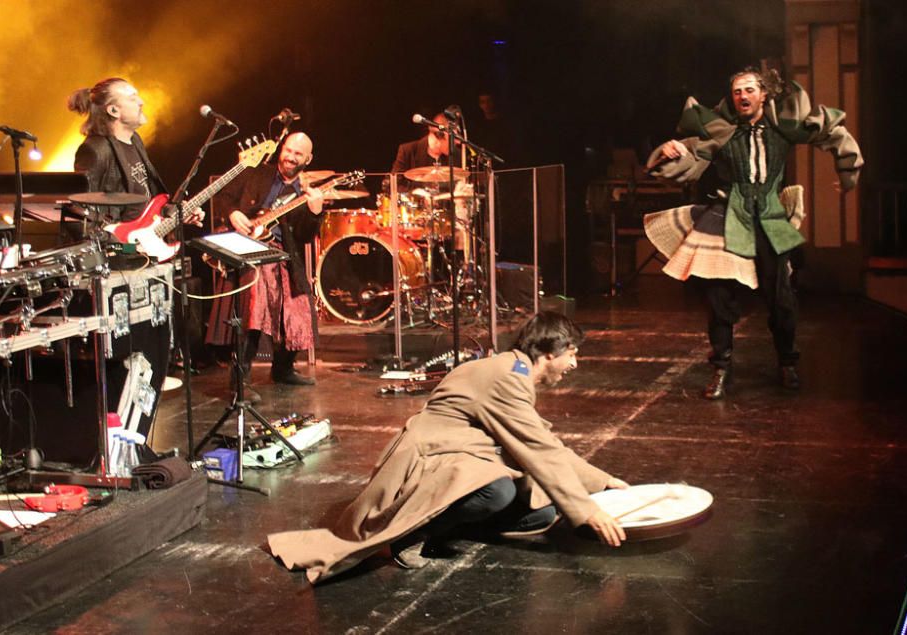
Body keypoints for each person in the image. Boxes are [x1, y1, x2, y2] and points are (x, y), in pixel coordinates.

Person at [267, 311, 629, 583]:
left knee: (541, 513)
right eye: (573, 354)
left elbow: (545, 441)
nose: (574, 364)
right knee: (498, 491)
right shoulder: (507, 377)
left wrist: (604, 482)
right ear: (551, 352)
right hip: (430, 462)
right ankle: (411, 534)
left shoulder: (511, 373)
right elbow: (540, 450)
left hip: (461, 459)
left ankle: (445, 526)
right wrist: (587, 511)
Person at [643, 67, 862, 399]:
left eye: (749, 90)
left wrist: (848, 173)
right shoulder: (721, 131)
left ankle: (787, 363)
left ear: (763, 95)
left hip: (770, 217)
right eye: (737, 92)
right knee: (719, 297)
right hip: (728, 215)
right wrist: (671, 151)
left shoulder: (783, 128)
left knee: (781, 298)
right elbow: (689, 155)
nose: (742, 96)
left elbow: (831, 133)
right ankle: (721, 367)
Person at [211, 132, 324, 399]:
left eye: (298, 154)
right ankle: (240, 380)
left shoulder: (304, 192)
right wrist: (233, 213)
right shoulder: (255, 173)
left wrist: (315, 211)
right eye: (288, 150)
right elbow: (221, 197)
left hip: (284, 255)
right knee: (255, 305)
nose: (290, 157)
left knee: (298, 307)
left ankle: (283, 369)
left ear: (308, 159)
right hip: (249, 254)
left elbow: (305, 236)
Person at [67, 77, 204, 230]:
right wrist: (117, 239)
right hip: (119, 249)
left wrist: (175, 211)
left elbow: (145, 197)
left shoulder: (135, 140)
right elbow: (78, 210)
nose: (141, 102)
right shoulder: (96, 149)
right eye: (132, 99)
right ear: (113, 110)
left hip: (142, 244)